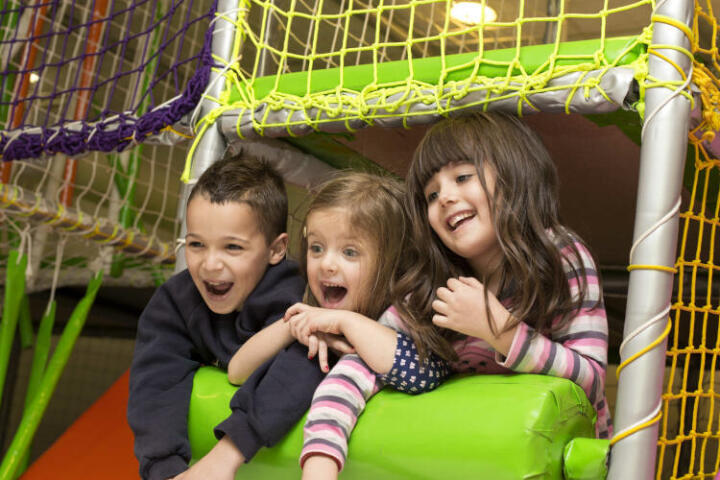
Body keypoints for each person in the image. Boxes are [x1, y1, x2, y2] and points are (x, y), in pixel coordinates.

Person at [292, 112, 611, 479]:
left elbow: (590, 379)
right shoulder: (428, 287)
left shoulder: (560, 257)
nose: (445, 197)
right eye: (431, 194)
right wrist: (321, 460)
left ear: (514, 174)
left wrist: (498, 329)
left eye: (462, 177)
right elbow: (364, 365)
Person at [127, 155, 326, 480]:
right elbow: (155, 382)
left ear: (276, 250)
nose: (210, 264)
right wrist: (165, 470)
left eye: (232, 247)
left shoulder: (297, 296)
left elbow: (302, 367)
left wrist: (228, 453)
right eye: (196, 244)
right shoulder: (175, 302)